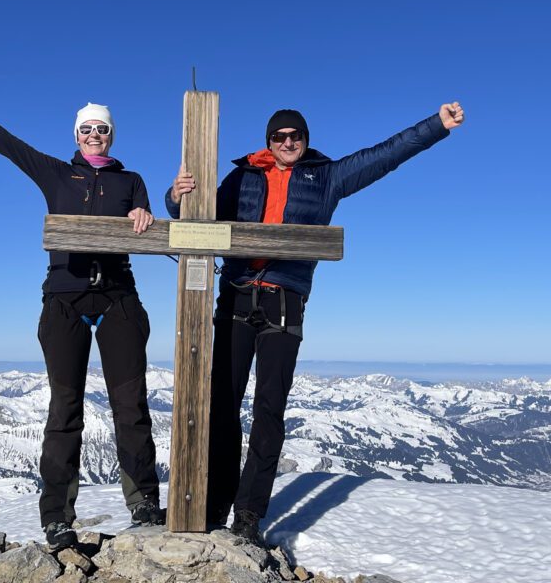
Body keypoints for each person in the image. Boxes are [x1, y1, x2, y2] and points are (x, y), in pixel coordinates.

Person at [166, 100, 466, 544]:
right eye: (279, 137)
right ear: (268, 141)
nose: (287, 143)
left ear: (306, 141)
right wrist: (177, 196)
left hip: (284, 302)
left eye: (296, 136)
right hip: (236, 296)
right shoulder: (242, 175)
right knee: (222, 406)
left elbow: (385, 154)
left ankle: (249, 513)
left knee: (269, 411)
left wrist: (436, 125)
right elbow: (192, 218)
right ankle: (214, 503)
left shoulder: (325, 177)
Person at [0, 77, 164, 550]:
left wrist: (145, 215)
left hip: (119, 298)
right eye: (86, 129)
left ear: (111, 135)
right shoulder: (56, 173)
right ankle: (57, 516)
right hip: (64, 300)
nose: (94, 135)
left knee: (131, 407)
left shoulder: (131, 180)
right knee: (65, 411)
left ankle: (142, 502)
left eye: (101, 129)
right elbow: (6, 144)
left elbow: (144, 217)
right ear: (76, 136)